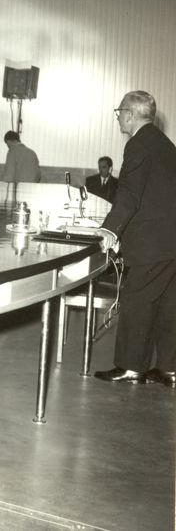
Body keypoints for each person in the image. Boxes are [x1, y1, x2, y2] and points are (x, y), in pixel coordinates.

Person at [93, 91, 176, 386]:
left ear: (129, 114)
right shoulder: (166, 144)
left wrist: (110, 229)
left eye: (119, 113)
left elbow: (129, 194)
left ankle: (130, 367)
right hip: (171, 241)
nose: (118, 118)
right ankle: (168, 368)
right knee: (168, 305)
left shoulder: (138, 144)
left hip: (152, 243)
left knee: (137, 300)